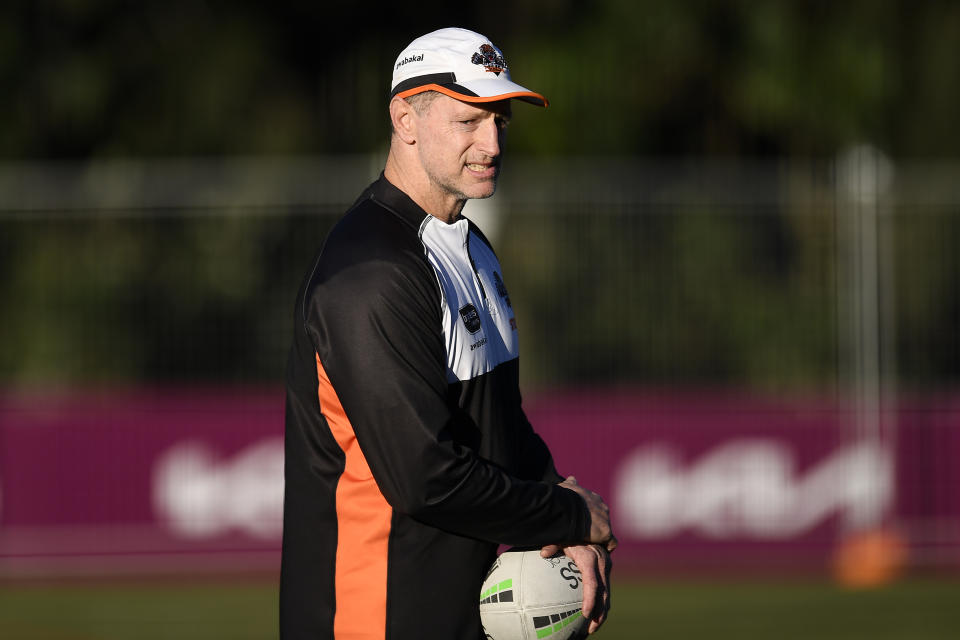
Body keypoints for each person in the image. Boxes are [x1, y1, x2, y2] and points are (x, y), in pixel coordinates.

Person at [280, 27, 616, 640]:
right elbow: (424, 477)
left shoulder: (471, 247)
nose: (492, 141)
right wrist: (567, 513)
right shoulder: (369, 273)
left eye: (500, 120)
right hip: (373, 622)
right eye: (469, 121)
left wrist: (560, 516)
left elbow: (498, 426)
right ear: (405, 119)